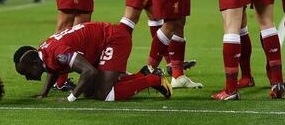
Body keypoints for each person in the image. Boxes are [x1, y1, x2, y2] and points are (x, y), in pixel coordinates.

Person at [13, 22, 172, 102]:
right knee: (89, 92)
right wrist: (44, 92)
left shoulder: (59, 54)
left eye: (25, 73)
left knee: (104, 94)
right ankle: (142, 75)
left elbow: (89, 71)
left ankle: (154, 79)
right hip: (99, 44)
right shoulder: (43, 50)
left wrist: (70, 98)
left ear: (33, 64)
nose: (27, 77)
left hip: (113, 39)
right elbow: (52, 68)